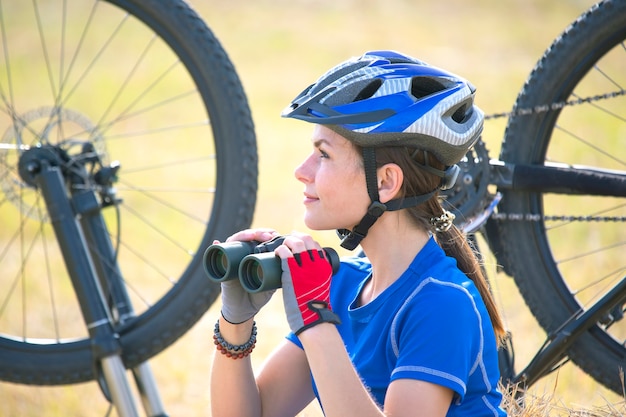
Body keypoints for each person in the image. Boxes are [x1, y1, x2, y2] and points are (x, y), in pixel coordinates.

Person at [209, 50, 507, 417]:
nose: (302, 171)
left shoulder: (443, 303)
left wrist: (316, 320)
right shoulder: (344, 284)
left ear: (385, 182)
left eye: (324, 155)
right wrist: (234, 324)